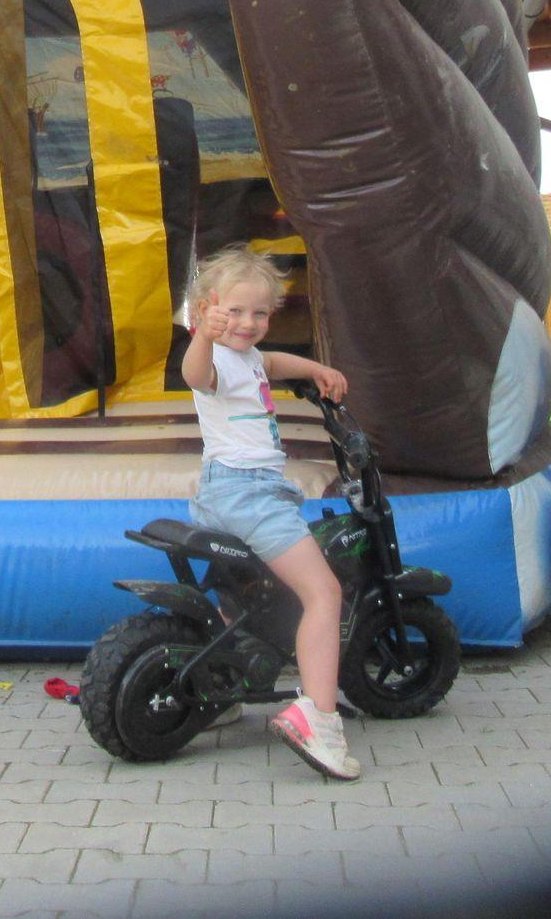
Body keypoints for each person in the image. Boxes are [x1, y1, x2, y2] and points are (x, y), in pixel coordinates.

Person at [181, 245, 358, 780]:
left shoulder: (249, 358)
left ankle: (224, 687)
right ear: (207, 308)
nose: (247, 323)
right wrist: (203, 336)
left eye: (259, 313)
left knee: (241, 596)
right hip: (249, 495)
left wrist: (317, 369)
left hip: (225, 492)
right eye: (233, 311)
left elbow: (274, 363)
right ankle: (318, 720)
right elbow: (195, 374)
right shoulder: (213, 357)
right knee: (323, 593)